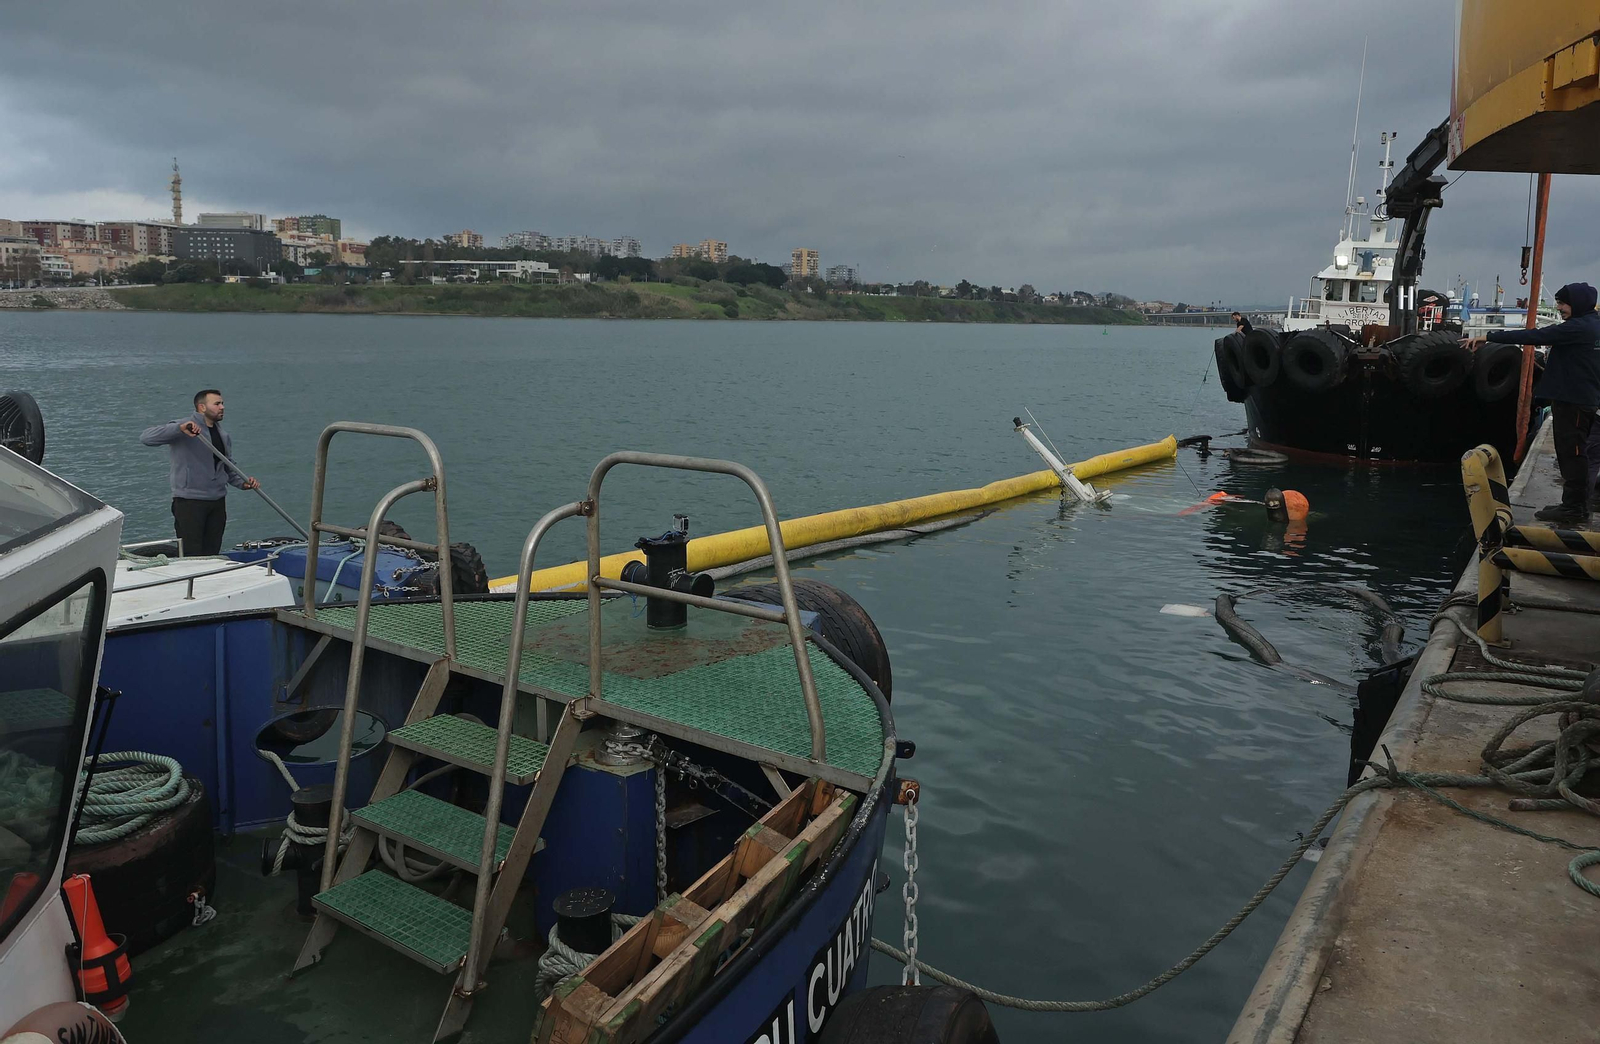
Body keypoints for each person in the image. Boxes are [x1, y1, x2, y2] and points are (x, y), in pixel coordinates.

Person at [1463, 282, 1600, 524]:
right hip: (1580, 400)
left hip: (1574, 402)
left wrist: (1489, 336)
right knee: (1575, 452)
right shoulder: (1592, 325)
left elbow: (1535, 335)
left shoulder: (1578, 328)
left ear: (1577, 303)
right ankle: (1574, 504)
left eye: (1562, 303)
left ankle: (1574, 508)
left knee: (1573, 454)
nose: (1559, 308)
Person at [140, 389, 258, 555]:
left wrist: (242, 483)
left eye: (222, 403)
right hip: (190, 502)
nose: (222, 407)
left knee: (212, 552)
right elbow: (146, 438)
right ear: (202, 407)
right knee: (191, 553)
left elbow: (226, 465)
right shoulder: (184, 426)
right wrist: (179, 429)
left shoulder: (223, 434)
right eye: (217, 404)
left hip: (217, 502)